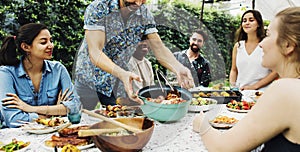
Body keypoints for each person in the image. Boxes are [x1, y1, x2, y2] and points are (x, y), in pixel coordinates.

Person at [193, 7, 300, 151]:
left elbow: (223, 148)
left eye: (269, 35)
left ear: (288, 46)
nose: (261, 44)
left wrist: (202, 124)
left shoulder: (285, 90)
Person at [74, 0, 194, 110]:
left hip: (116, 82)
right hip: (88, 78)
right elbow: (95, 52)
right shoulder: (99, 8)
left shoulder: (144, 13)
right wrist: (122, 73)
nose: (138, 3)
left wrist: (178, 68)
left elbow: (158, 47)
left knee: (116, 122)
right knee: (79, 120)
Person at [0, 23, 81, 128]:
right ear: (25, 47)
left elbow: (75, 107)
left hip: (53, 134)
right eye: (43, 42)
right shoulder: (6, 74)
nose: (51, 45)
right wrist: (55, 112)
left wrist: (30, 108)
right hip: (18, 139)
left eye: (51, 41)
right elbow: (13, 119)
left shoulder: (58, 70)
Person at [229, 10, 278, 90]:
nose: (247, 23)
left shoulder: (266, 44)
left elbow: (275, 72)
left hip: (261, 93)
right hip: (241, 93)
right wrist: (233, 87)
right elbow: (234, 70)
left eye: (251, 20)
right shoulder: (238, 46)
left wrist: (254, 86)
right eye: (244, 21)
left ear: (258, 24)